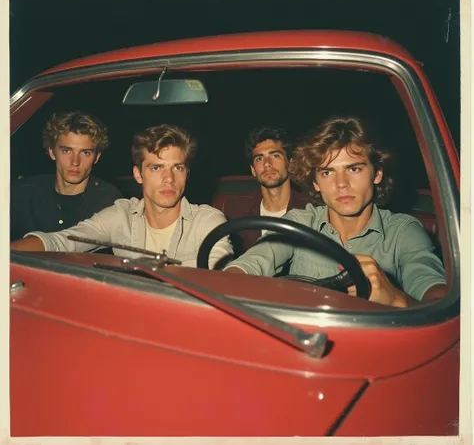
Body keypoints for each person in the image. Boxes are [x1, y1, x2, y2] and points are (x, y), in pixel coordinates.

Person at [225, 117, 447, 308]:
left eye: (353, 169)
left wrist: (396, 299)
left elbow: (437, 298)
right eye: (328, 172)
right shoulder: (299, 222)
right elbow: (253, 262)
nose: (341, 183)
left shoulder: (402, 232)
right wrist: (231, 279)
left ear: (377, 174)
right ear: (316, 183)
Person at [11, 124, 233, 269]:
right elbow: (63, 241)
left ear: (187, 174)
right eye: (156, 168)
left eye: (177, 168)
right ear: (138, 174)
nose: (169, 179)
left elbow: (219, 278)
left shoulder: (208, 221)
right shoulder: (121, 215)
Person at [10, 111, 122, 241]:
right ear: (52, 152)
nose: (75, 162)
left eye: (85, 153)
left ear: (96, 157)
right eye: (66, 151)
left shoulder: (109, 201)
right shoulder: (21, 193)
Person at [225, 126, 310, 254]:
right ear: (253, 170)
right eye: (259, 158)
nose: (267, 164)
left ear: (290, 164)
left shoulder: (311, 209)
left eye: (275, 156)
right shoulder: (236, 210)